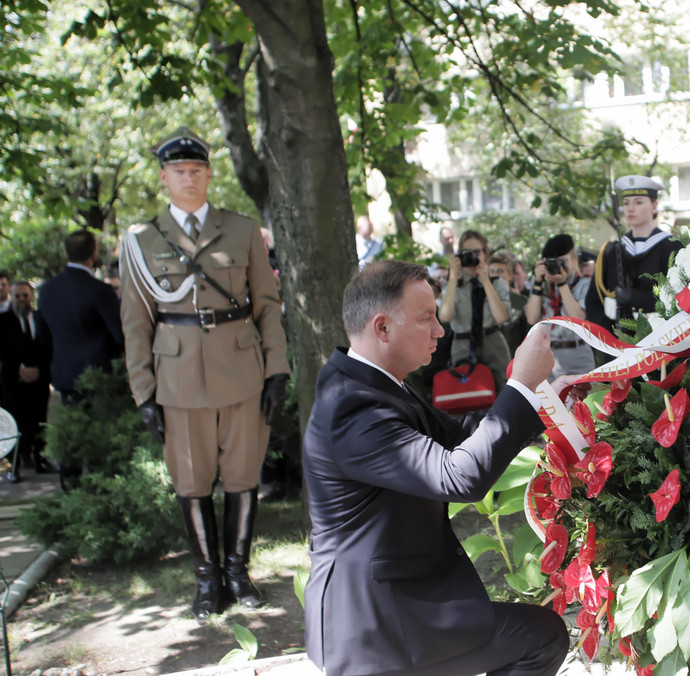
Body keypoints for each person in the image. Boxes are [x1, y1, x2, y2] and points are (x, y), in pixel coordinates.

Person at [303, 261, 569, 676]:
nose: (439, 330)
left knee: (540, 633)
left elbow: (459, 435)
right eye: (426, 318)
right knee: (541, 636)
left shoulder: (374, 384)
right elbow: (459, 477)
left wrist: (548, 399)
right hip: (375, 622)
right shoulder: (351, 405)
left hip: (398, 603)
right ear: (382, 327)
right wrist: (519, 385)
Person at [120, 126, 290, 621]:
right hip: (176, 380)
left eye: (196, 170)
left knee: (241, 476)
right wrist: (144, 393)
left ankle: (238, 572)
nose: (188, 178)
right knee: (191, 481)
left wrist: (276, 370)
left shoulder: (241, 231)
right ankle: (206, 580)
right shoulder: (139, 242)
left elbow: (267, 305)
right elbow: (135, 322)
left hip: (241, 370)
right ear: (163, 177)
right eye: (178, 171)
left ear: (209, 174)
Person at [39, 230, 126, 487]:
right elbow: (121, 337)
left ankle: (71, 494)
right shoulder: (100, 290)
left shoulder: (47, 290)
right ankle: (99, 498)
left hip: (65, 377)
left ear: (66, 253)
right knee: (100, 442)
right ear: (94, 253)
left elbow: (44, 337)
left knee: (71, 440)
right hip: (100, 378)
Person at [585, 175, 683, 335]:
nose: (630, 208)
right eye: (626, 203)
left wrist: (635, 298)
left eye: (638, 202)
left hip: (661, 339)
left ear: (654, 206)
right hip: (619, 343)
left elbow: (680, 298)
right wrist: (608, 340)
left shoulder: (671, 247)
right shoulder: (611, 250)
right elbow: (593, 301)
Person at [438, 230, 511, 389]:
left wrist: (485, 281)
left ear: (485, 253)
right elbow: (445, 316)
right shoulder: (453, 285)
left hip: (493, 343)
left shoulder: (496, 283)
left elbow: (501, 318)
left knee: (502, 395)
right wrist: (452, 279)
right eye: (467, 253)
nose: (473, 257)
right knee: (468, 397)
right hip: (463, 346)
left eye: (477, 252)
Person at [0, 281, 52, 483]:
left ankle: (40, 459)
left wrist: (38, 370)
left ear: (31, 297)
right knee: (15, 423)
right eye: (17, 296)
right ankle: (15, 466)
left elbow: (48, 347)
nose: (21, 299)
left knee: (39, 421)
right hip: (14, 382)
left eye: (25, 295)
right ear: (12, 298)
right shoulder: (3, 321)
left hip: (39, 381)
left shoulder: (41, 319)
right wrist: (20, 370)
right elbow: (3, 352)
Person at [527, 234, 595, 379]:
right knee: (551, 401)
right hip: (549, 355)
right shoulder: (542, 284)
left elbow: (579, 318)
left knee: (584, 400)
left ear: (574, 257)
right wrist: (537, 283)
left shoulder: (585, 283)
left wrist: (562, 284)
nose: (558, 267)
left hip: (578, 352)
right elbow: (531, 319)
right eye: (553, 262)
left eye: (563, 261)